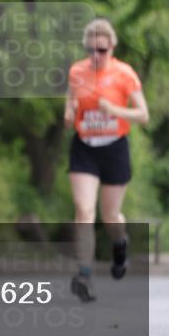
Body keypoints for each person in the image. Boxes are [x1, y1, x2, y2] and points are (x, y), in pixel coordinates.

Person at [64, 17, 149, 302]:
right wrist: (69, 112)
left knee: (110, 216)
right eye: (90, 50)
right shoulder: (77, 71)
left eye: (101, 50)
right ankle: (84, 274)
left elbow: (143, 115)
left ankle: (120, 243)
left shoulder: (124, 74)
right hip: (85, 147)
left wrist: (115, 110)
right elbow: (71, 100)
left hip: (114, 147)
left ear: (112, 47)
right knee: (83, 210)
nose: (95, 56)